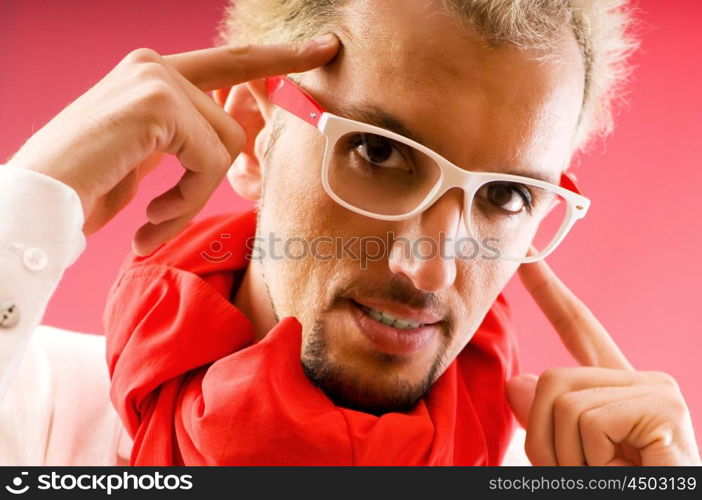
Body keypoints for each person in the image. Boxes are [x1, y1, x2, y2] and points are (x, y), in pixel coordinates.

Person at [3, 0, 700, 465]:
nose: (429, 267)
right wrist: (24, 202)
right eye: (378, 153)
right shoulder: (35, 411)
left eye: (506, 194)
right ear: (251, 135)